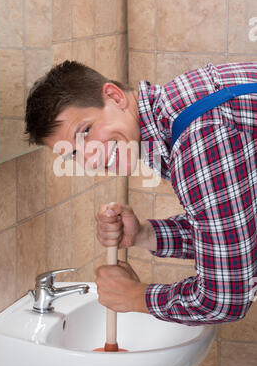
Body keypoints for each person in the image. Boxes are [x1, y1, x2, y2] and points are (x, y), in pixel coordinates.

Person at [25, 60, 257, 326]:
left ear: (114, 96)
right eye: (73, 153)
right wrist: (146, 235)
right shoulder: (177, 111)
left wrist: (137, 297)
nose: (90, 156)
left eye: (85, 131)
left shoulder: (197, 133)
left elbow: (226, 300)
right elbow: (238, 235)